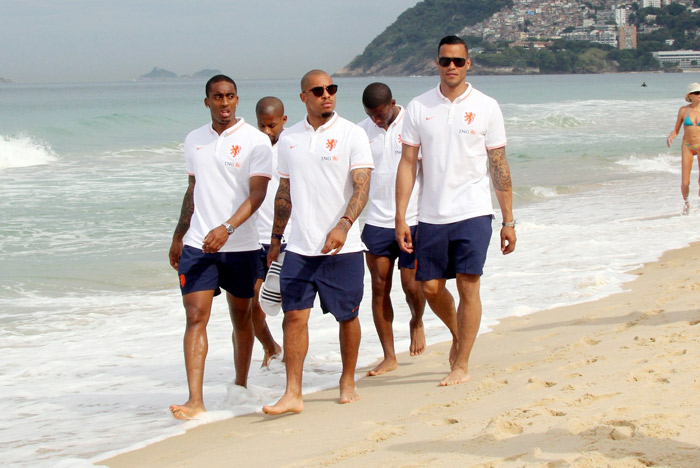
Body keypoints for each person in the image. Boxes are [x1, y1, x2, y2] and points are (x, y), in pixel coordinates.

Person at [395, 36, 516, 387]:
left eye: (458, 61)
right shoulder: (419, 106)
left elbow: (499, 164)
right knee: (430, 287)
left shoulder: (486, 106)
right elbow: (407, 164)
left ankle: (461, 363)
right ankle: (458, 334)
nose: (452, 67)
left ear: (468, 64)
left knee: (468, 286)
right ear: (436, 63)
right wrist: (401, 217)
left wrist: (508, 220)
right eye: (445, 61)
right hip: (431, 215)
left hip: (474, 211)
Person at [262, 70, 374, 415]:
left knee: (348, 317)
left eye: (331, 89)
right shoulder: (289, 138)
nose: (327, 94)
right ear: (303, 97)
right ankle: (293, 393)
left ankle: (348, 380)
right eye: (318, 90)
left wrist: (343, 225)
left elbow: (362, 187)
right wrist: (276, 239)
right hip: (300, 247)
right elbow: (284, 191)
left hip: (344, 248)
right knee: (293, 318)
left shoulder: (352, 134)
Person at [168, 74, 272, 420]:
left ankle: (240, 384)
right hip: (199, 245)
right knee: (195, 316)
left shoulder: (255, 141)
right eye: (217, 97)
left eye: (229, 96)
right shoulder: (194, 140)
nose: (224, 103)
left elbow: (257, 194)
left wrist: (228, 228)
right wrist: (179, 234)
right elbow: (192, 189)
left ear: (237, 100)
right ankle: (195, 400)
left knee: (241, 317)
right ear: (207, 101)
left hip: (241, 245)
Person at [357, 82, 427, 376]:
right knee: (378, 287)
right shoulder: (360, 131)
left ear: (393, 103)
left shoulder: (412, 124)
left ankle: (417, 321)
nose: (376, 120)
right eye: (371, 115)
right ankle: (389, 355)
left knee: (412, 286)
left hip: (412, 218)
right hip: (375, 221)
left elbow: (428, 169)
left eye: (381, 114)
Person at [251, 96, 288, 367]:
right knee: (254, 306)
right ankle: (271, 348)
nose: (267, 132)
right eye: (262, 126)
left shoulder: (293, 147)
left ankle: (292, 356)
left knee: (290, 305)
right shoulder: (253, 148)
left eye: (272, 126)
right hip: (254, 239)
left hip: (287, 239)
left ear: (283, 120)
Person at [667, 82, 700, 215]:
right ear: (690, 95)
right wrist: (671, 136)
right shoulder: (683, 110)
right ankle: (686, 204)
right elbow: (676, 130)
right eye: (697, 93)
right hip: (687, 145)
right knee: (685, 182)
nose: (699, 95)